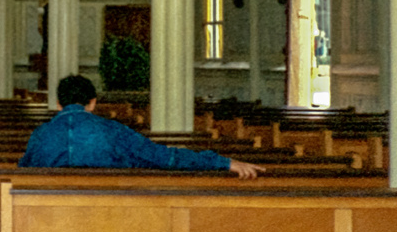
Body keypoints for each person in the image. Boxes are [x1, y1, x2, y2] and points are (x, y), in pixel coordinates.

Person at [19, 75, 264, 178]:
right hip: (108, 221)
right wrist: (223, 162)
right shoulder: (113, 131)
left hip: (49, 221)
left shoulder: (40, 136)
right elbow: (165, 158)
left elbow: (23, 176)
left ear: (58, 103)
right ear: (93, 103)